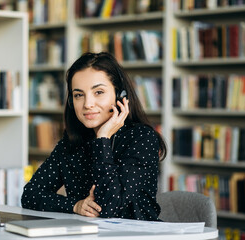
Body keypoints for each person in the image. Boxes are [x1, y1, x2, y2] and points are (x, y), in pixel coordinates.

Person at [21, 52, 167, 221]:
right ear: (71, 101)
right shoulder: (71, 143)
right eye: (78, 95)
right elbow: (30, 195)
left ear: (120, 96)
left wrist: (102, 139)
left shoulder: (142, 138)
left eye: (98, 92)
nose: (87, 104)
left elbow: (109, 208)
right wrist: (75, 206)